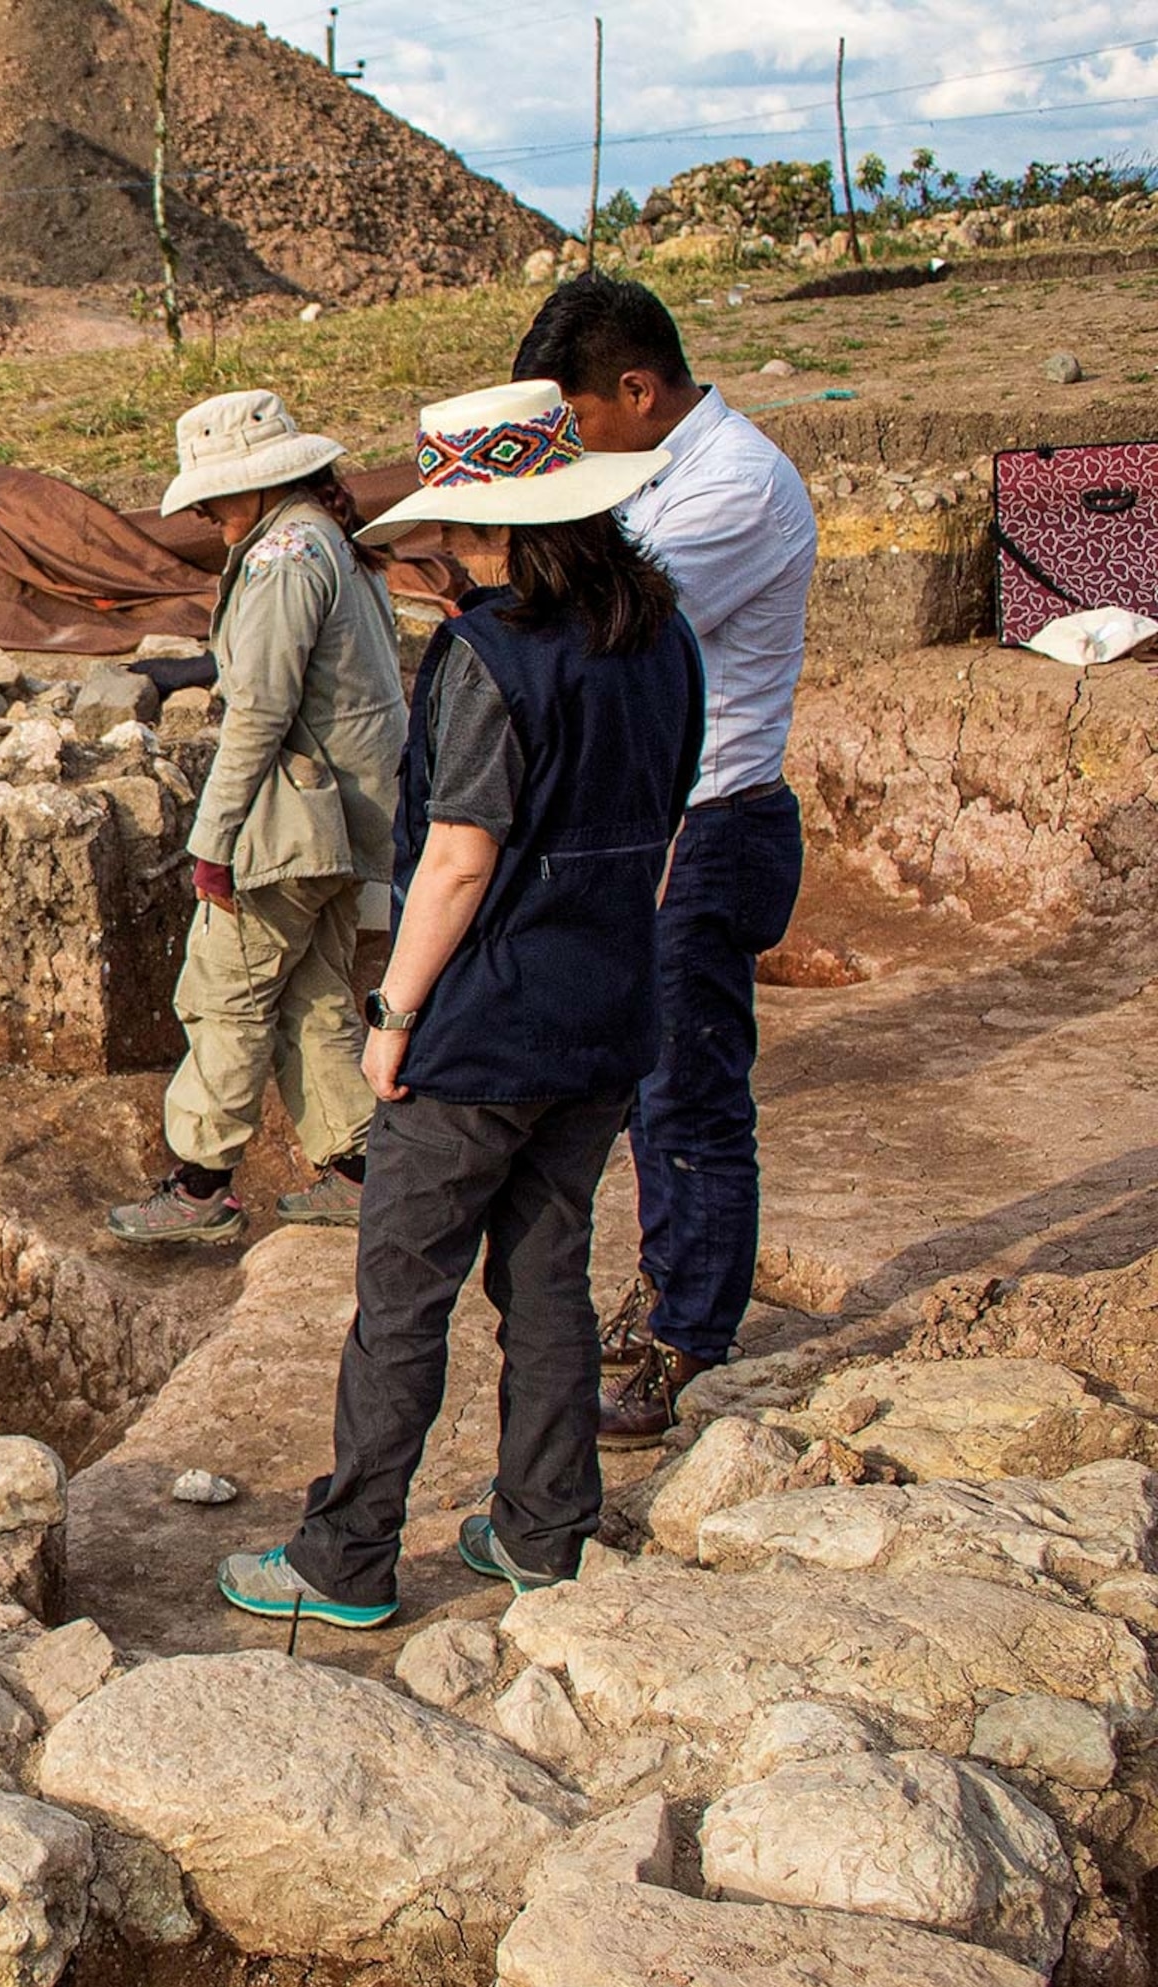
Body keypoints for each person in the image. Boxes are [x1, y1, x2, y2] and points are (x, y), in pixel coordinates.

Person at [218, 379, 703, 1628]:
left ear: (497, 531)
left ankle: (345, 1558)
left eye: (453, 533)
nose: (436, 553)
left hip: (483, 1024)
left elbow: (460, 855)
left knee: (403, 1297)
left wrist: (391, 1017)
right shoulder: (663, 636)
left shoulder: (487, 657)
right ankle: (545, 1528)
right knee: (547, 1279)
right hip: (605, 1017)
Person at [512, 277, 820, 1445]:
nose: (575, 449)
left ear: (638, 391)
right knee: (653, 1081)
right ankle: (671, 1292)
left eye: (578, 418)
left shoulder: (735, 487)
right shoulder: (673, 467)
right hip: (676, 819)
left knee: (688, 1089)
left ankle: (689, 1332)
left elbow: (607, 618)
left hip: (713, 820)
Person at [108, 391, 407, 1247]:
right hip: (345, 816)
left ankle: (202, 1184)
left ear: (260, 483)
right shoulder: (329, 542)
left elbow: (258, 713)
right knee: (313, 993)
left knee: (225, 994)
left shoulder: (281, 557)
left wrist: (213, 841)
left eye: (212, 498)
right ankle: (359, 1166)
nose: (205, 514)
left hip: (293, 819)